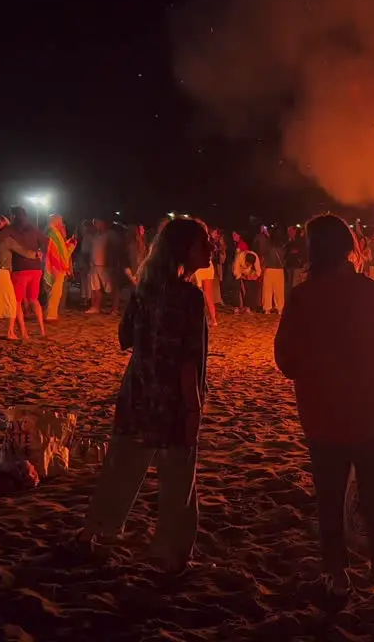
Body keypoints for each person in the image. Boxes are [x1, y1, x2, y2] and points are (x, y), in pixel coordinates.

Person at [274, 213, 374, 600]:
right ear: (349, 248)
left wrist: (314, 378)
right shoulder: (373, 293)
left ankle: (337, 576)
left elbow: (285, 359)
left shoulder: (303, 297)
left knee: (330, 500)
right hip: (371, 416)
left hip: (321, 420)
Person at [75, 217, 212, 574]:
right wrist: (193, 406)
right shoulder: (190, 297)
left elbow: (125, 338)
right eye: (204, 243)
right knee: (179, 478)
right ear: (185, 250)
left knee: (122, 465)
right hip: (172, 398)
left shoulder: (145, 289)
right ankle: (170, 553)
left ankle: (97, 532)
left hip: (137, 389)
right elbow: (186, 359)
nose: (211, 249)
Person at [0, 215, 41, 340]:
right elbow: (23, 251)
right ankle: (10, 332)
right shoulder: (6, 239)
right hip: (1, 272)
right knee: (12, 303)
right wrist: (36, 254)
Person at [3, 206, 49, 336]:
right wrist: (40, 251)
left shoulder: (11, 229)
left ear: (13, 216)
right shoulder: (32, 228)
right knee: (34, 299)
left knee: (17, 301)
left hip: (20, 268)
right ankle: (42, 330)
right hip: (35, 268)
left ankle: (24, 331)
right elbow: (46, 240)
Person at [44, 214, 77, 321]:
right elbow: (61, 254)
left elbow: (60, 250)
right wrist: (71, 246)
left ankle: (50, 313)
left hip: (54, 264)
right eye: (61, 221)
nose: (63, 224)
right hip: (56, 266)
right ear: (57, 221)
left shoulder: (51, 232)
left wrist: (69, 243)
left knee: (53, 290)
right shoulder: (54, 234)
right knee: (55, 290)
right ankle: (51, 315)